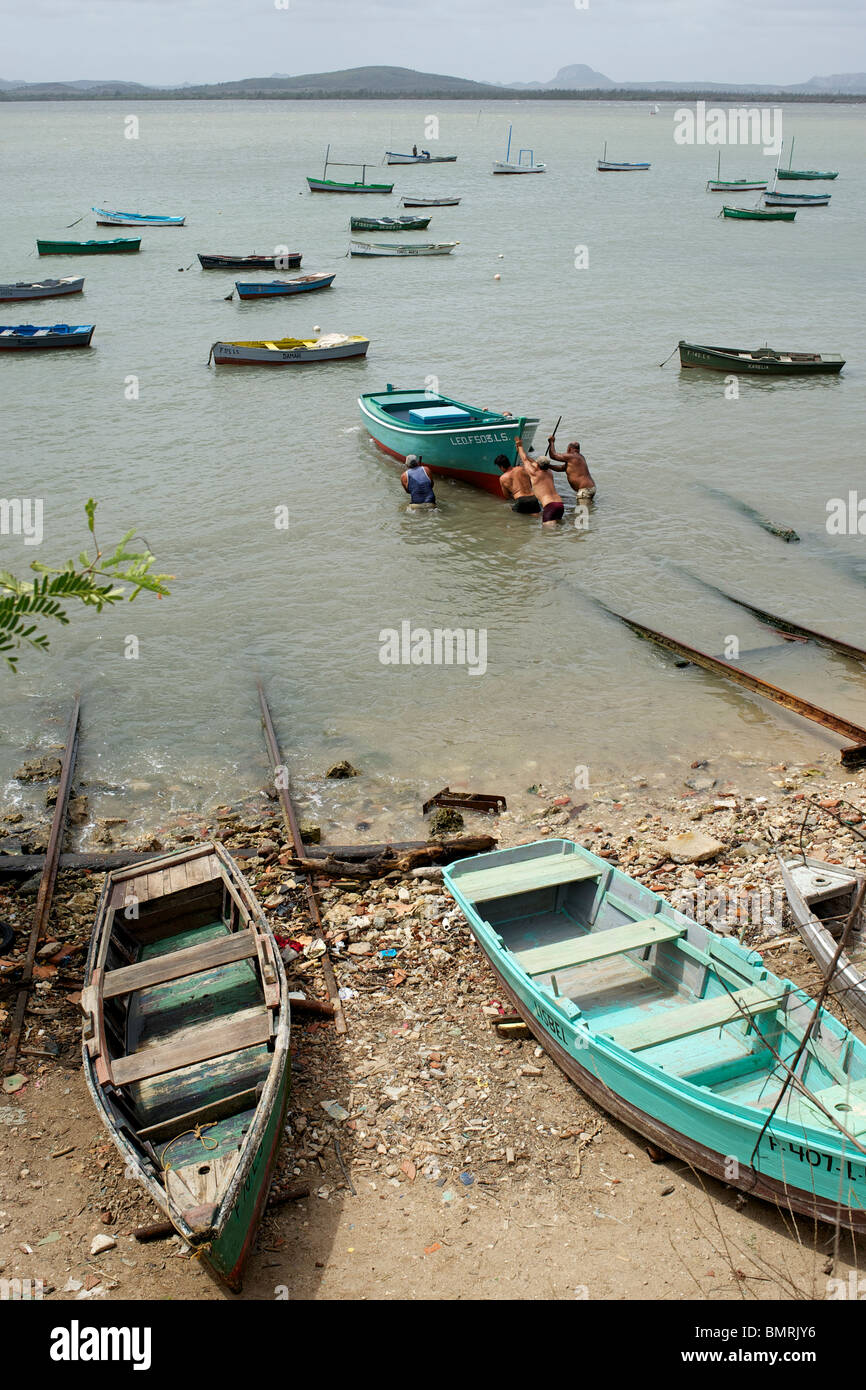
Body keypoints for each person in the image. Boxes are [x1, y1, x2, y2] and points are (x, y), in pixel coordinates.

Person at [515, 440, 564, 523]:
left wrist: (519, 446)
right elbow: (532, 462)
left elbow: (524, 460)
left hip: (550, 505)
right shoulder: (549, 472)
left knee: (547, 533)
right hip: (560, 505)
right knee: (557, 530)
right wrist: (526, 456)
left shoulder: (534, 473)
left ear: (537, 465)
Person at [544, 433, 596, 499]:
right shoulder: (578, 458)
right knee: (586, 508)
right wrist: (548, 466)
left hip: (585, 490)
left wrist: (551, 442)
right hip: (589, 488)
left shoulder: (571, 456)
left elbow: (553, 455)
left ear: (569, 448)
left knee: (582, 509)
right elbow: (561, 468)